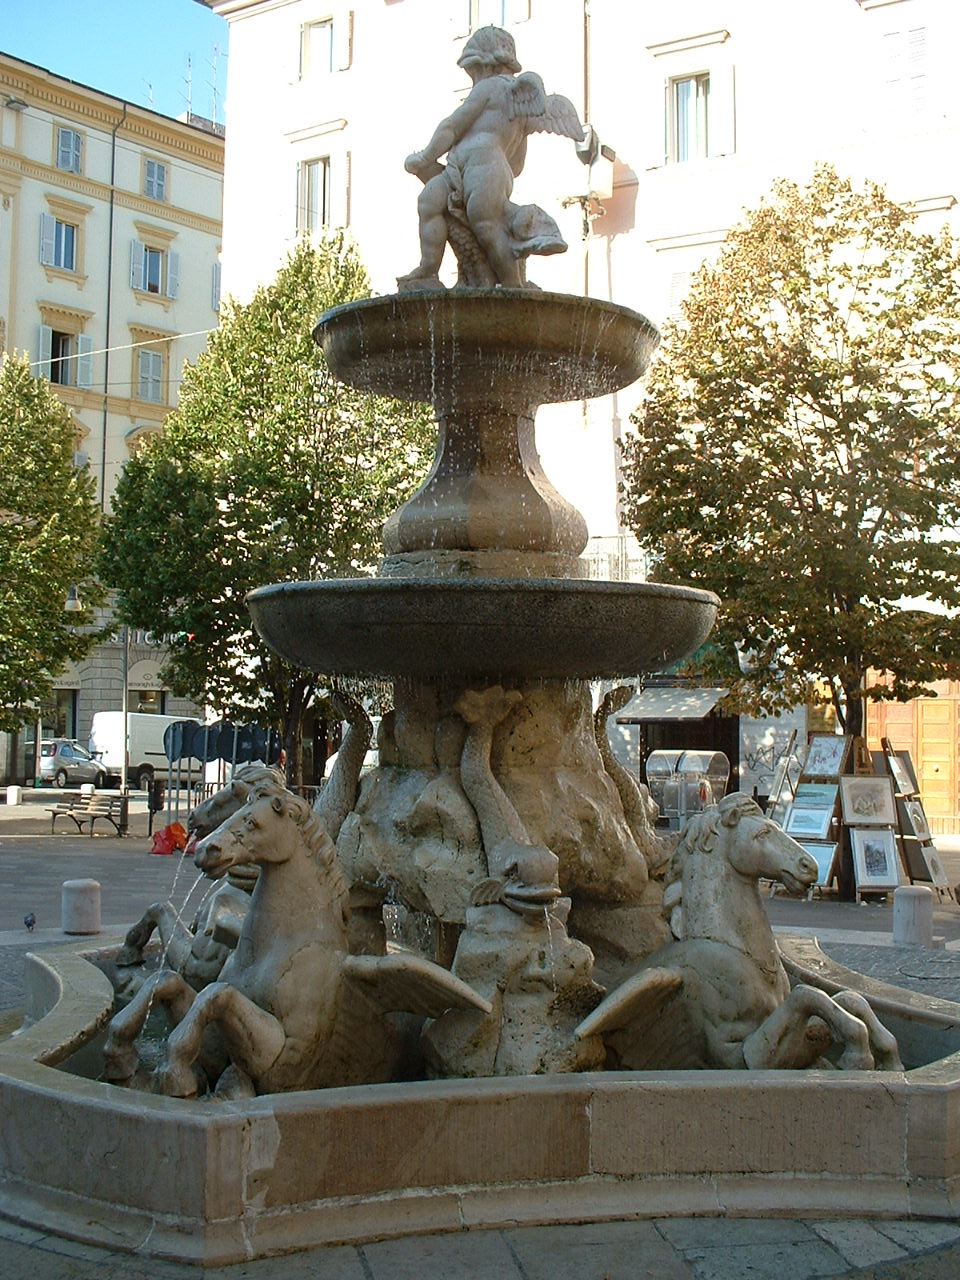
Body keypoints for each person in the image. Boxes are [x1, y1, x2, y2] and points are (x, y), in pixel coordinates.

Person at [398, 25, 584, 290]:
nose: (472, 78)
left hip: (484, 168)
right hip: (465, 167)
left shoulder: (492, 87)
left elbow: (451, 126)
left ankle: (512, 286)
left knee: (485, 223)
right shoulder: (516, 101)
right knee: (429, 200)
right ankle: (428, 269)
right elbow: (517, 162)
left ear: (485, 64)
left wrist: (425, 156)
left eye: (472, 71)